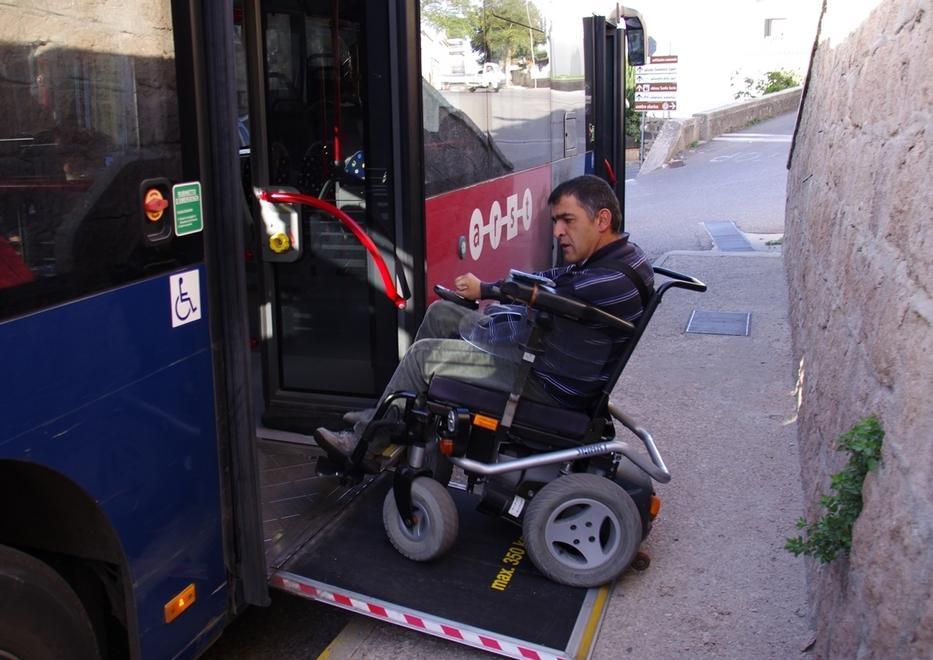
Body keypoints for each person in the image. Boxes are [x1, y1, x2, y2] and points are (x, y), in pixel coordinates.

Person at [315, 174, 653, 460]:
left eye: (567, 220)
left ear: (602, 219)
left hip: (543, 380)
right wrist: (495, 296)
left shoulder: (607, 281)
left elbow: (539, 294)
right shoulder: (624, 258)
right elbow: (550, 283)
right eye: (555, 222)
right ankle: (392, 415)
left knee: (422, 357)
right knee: (441, 313)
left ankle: (364, 443)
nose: (558, 231)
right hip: (548, 354)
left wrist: (486, 290)